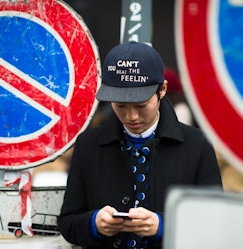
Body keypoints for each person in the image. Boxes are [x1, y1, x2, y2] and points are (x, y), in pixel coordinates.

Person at [58, 41, 223, 249]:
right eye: (120, 106)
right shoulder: (88, 145)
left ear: (162, 90)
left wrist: (163, 226)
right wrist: (94, 224)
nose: (131, 116)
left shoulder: (197, 145)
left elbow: (215, 222)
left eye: (141, 105)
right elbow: (67, 222)